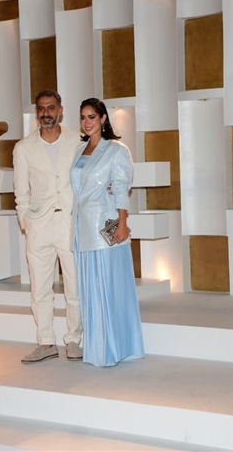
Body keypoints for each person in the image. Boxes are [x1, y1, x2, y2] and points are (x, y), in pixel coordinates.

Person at [71, 97, 145, 367]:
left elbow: (121, 187)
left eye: (92, 116)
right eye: (83, 117)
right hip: (82, 228)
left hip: (106, 227)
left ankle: (114, 348)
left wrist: (122, 223)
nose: (87, 122)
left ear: (103, 118)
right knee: (90, 290)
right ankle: (97, 348)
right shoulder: (80, 149)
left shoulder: (116, 149)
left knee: (109, 288)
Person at [13, 90, 83, 363]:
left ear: (60, 110)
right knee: (40, 288)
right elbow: (21, 192)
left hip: (69, 223)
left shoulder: (77, 139)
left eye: (51, 108)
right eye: (41, 108)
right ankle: (46, 342)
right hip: (39, 227)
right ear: (37, 113)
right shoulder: (23, 148)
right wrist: (26, 222)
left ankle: (74, 340)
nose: (46, 113)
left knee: (74, 286)